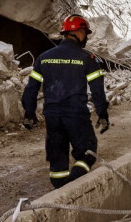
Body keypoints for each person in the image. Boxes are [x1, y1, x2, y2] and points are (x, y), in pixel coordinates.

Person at [21, 14, 109, 189]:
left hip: (52, 116)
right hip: (76, 114)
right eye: (85, 32)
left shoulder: (44, 57)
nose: (86, 37)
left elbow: (31, 89)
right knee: (88, 153)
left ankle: (61, 191)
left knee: (57, 165)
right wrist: (103, 114)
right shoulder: (87, 58)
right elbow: (97, 90)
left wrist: (29, 113)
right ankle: (72, 187)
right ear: (78, 32)